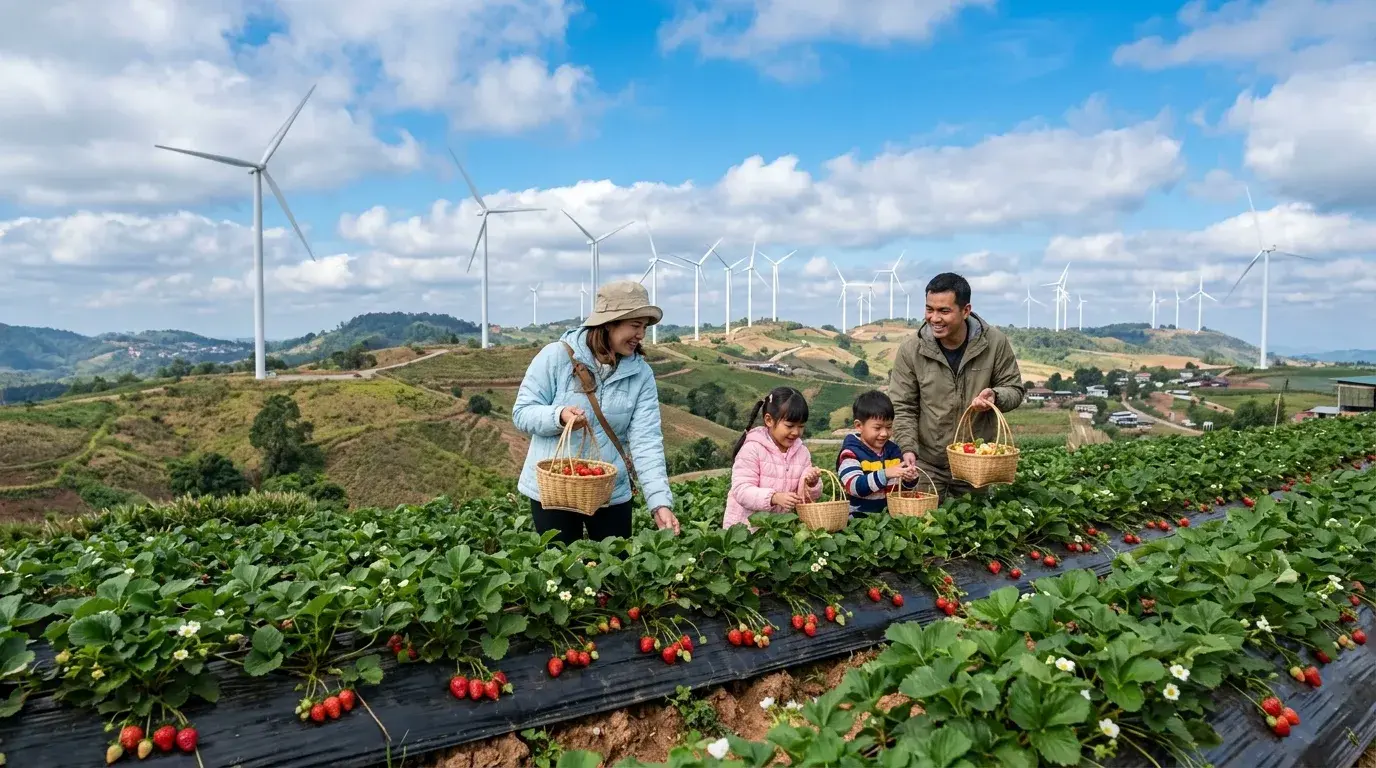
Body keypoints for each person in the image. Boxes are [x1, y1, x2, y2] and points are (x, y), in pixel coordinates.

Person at [513, 280, 680, 544]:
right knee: (561, 573)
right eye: (635, 326)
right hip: (555, 490)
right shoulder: (555, 357)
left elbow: (646, 441)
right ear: (609, 323)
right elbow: (522, 413)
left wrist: (659, 503)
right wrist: (558, 416)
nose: (641, 335)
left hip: (610, 492)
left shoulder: (641, 374)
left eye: (644, 328)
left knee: (616, 569)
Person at [890, 273, 1025, 497]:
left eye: (944, 311)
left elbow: (1015, 389)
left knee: (973, 526)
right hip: (927, 463)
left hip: (974, 462)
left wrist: (996, 396)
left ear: (966, 310)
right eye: (929, 309)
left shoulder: (994, 343)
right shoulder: (911, 349)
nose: (934, 318)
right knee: (924, 527)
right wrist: (907, 448)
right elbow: (903, 406)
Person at [724, 387, 822, 529]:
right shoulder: (753, 448)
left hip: (781, 532)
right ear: (769, 420)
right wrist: (773, 498)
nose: (796, 432)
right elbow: (741, 490)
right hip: (746, 531)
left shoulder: (802, 453)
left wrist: (812, 483)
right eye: (789, 426)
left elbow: (805, 498)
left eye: (801, 426)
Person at [837, 390, 919, 515]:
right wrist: (885, 474)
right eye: (877, 428)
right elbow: (854, 486)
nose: (884, 433)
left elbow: (902, 487)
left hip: (889, 518)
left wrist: (909, 479)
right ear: (859, 426)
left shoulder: (893, 451)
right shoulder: (851, 453)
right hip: (858, 522)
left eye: (889, 427)